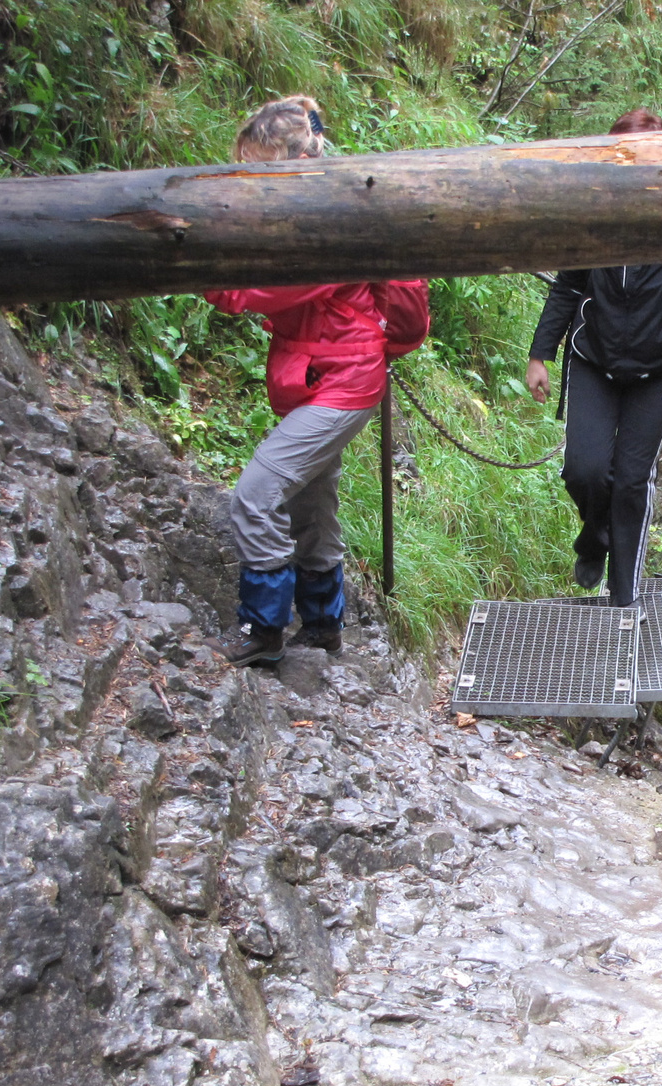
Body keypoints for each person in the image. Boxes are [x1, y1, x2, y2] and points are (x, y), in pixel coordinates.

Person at [203, 95, 429, 667]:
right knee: (309, 504)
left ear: (291, 159)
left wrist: (189, 257)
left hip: (342, 383)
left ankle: (263, 629)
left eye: (261, 167)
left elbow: (243, 292)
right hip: (323, 377)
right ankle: (324, 624)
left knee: (256, 496)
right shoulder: (316, 210)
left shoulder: (325, 228)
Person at [526, 107, 662, 608]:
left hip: (658, 371)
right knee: (584, 471)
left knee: (631, 481)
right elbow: (567, 287)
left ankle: (623, 599)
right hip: (594, 360)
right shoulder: (592, 216)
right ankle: (595, 538)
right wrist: (540, 353)